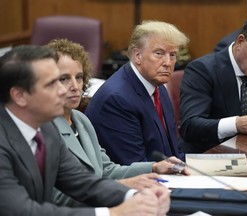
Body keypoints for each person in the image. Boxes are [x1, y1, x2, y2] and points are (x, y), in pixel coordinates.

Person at [0, 44, 170, 216]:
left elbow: (83, 182)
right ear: (19, 96)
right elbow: (22, 211)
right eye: (52, 84)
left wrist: (136, 196)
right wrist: (113, 213)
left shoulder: (47, 130)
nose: (62, 90)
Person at [46, 38, 190, 206]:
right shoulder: (43, 129)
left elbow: (107, 170)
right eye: (64, 79)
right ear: (45, 82)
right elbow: (58, 198)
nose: (75, 86)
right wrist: (120, 186)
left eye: (78, 77)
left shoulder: (80, 120)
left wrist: (154, 167)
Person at [85, 20, 189, 165]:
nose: (168, 62)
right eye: (159, 53)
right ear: (137, 55)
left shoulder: (158, 87)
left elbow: (173, 153)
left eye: (172, 55)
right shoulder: (116, 99)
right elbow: (133, 165)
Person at [180, 15, 247, 153]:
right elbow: (190, 126)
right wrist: (235, 124)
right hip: (210, 159)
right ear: (240, 41)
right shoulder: (202, 70)